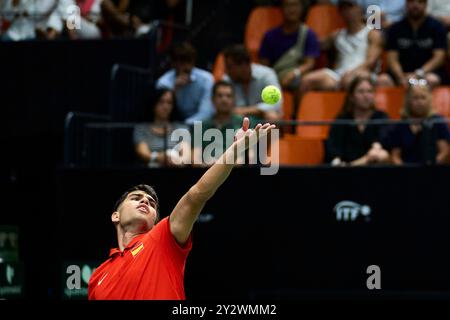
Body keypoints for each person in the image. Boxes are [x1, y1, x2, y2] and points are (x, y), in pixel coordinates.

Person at [88, 118, 276, 300]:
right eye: (136, 198)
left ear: (155, 222)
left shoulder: (162, 238)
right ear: (115, 216)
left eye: (152, 203)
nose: (145, 202)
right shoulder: (97, 276)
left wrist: (235, 151)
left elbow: (197, 195)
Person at [300, 0, 385, 92]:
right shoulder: (337, 35)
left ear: (360, 9)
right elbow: (315, 44)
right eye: (343, 8)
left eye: (350, 7)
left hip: (363, 73)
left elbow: (370, 62)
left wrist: (352, 73)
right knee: (306, 80)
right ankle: (299, 107)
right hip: (338, 75)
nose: (346, 11)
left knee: (351, 81)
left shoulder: (372, 34)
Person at [326, 76, 391, 166]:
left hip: (375, 171)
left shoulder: (381, 117)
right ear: (352, 97)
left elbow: (383, 143)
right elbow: (334, 150)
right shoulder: (342, 120)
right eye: (361, 91)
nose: (366, 96)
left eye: (369, 91)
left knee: (382, 155)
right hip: (346, 173)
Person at [382, 0, 448, 88]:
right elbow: (392, 58)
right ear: (406, 4)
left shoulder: (437, 27)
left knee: (431, 79)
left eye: (420, 2)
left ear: (426, 5)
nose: (415, 5)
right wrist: (400, 76)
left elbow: (439, 57)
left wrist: (418, 74)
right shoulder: (395, 28)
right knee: (383, 80)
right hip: (401, 73)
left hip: (428, 72)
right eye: (411, 1)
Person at [258, 0, 320, 90]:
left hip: (298, 77)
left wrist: (294, 74)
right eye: (287, 5)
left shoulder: (308, 34)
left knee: (304, 81)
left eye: (295, 5)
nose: (292, 10)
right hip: (275, 79)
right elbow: (264, 66)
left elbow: (309, 64)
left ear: (302, 8)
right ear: (281, 9)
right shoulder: (270, 36)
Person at [194, 81, 257, 165]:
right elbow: (195, 160)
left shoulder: (245, 123)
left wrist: (222, 165)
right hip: (207, 172)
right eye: (220, 96)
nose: (224, 99)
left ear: (234, 100)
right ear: (212, 99)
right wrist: (211, 167)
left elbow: (251, 157)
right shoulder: (201, 126)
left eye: (228, 96)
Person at [388, 80, 450, 165]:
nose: (419, 102)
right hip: (406, 172)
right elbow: (395, 156)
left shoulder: (437, 122)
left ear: (429, 99)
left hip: (432, 170)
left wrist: (430, 167)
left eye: (423, 97)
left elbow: (444, 152)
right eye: (415, 98)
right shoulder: (401, 125)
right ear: (408, 101)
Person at [156, 42, 215, 124]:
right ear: (173, 64)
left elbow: (206, 112)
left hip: (199, 126)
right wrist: (174, 90)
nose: (185, 67)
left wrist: (184, 125)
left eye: (188, 61)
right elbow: (161, 112)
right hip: (172, 125)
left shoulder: (206, 79)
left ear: (193, 62)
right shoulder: (164, 82)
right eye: (181, 62)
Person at [223, 44, 282, 122]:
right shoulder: (227, 79)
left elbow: (276, 103)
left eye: (230, 67)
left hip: (261, 119)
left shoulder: (266, 74)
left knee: (271, 116)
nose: (227, 71)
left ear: (244, 65)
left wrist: (246, 111)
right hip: (237, 120)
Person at [133, 89, 191, 167]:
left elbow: (186, 155)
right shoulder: (141, 128)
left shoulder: (182, 128)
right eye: (161, 102)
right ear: (153, 104)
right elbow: (143, 153)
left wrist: (175, 161)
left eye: (169, 102)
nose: (165, 106)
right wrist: (159, 157)